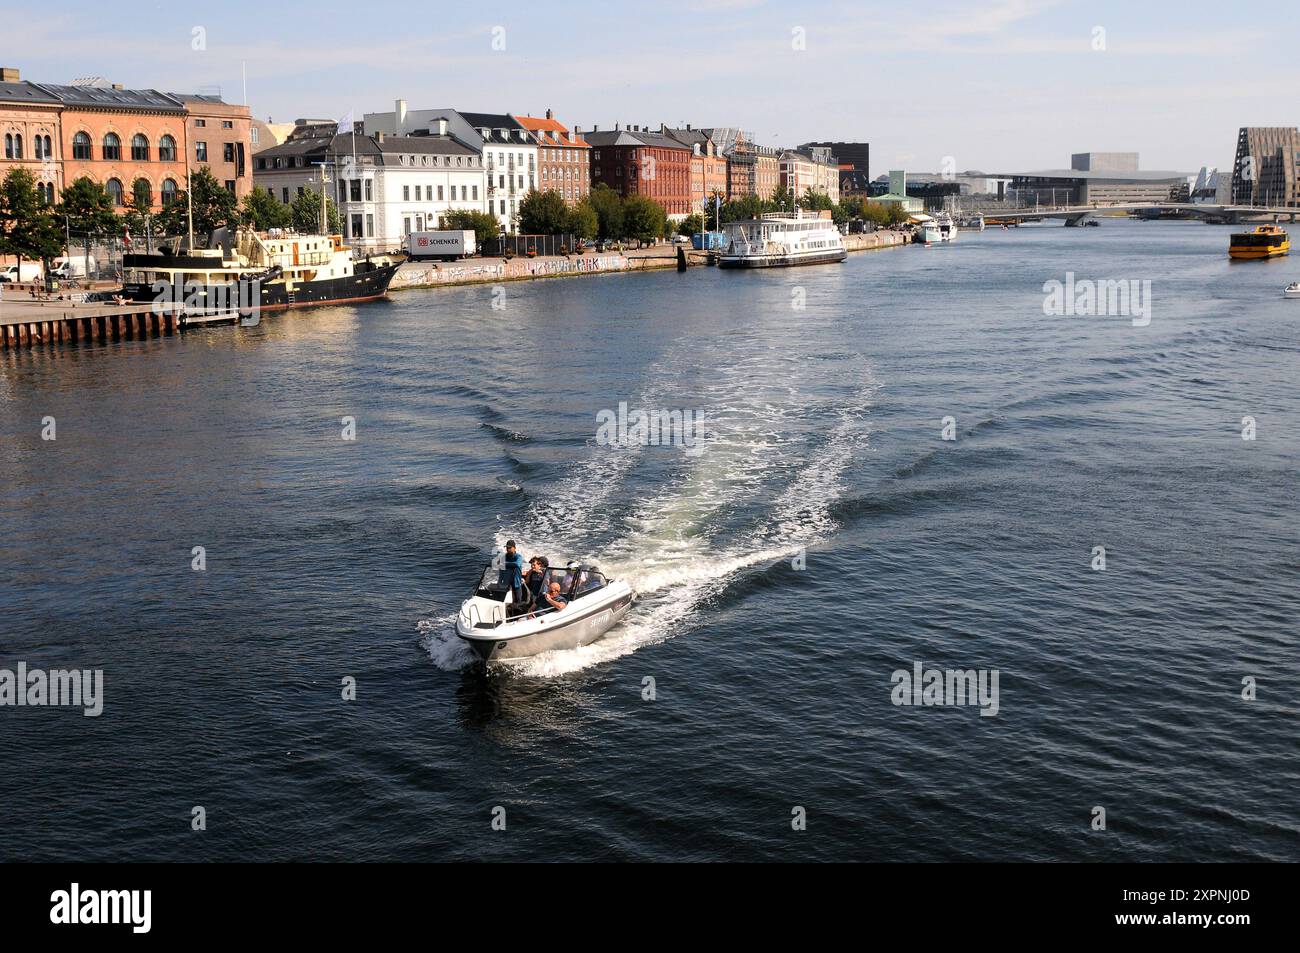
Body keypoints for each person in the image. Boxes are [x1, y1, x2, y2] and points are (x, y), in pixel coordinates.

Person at [498, 540, 525, 606]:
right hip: (506, 581)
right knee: (507, 599)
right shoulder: (503, 557)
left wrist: (504, 564)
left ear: (514, 548)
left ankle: (519, 606)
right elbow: (501, 569)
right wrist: (499, 581)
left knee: (519, 600)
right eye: (507, 548)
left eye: (510, 548)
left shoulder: (518, 557)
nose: (508, 549)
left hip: (516, 581)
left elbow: (517, 564)